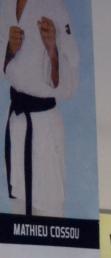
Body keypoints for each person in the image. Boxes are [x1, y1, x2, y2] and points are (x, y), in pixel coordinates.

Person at [1, 0, 78, 217]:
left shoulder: (55, 6)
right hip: (17, 123)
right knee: (19, 216)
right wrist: (9, 51)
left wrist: (52, 50)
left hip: (45, 127)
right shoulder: (6, 5)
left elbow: (70, 85)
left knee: (50, 214)